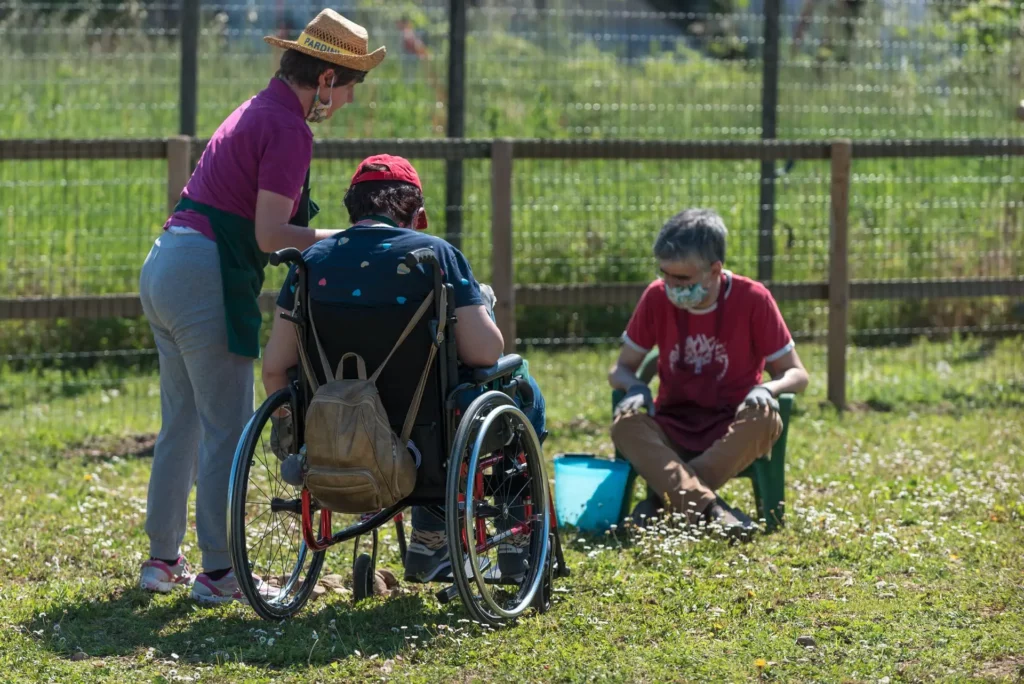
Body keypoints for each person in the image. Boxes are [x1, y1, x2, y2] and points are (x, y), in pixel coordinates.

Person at [137, 9, 386, 603]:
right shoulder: (291, 127)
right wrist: (348, 240)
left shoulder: (258, 107)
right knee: (226, 428)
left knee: (182, 424)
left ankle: (161, 559)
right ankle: (221, 573)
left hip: (164, 263)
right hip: (204, 277)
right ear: (326, 78)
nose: (349, 100)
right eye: (350, 85)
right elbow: (272, 235)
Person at [262, 154, 546, 583]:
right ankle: (500, 537)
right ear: (419, 216)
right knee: (520, 387)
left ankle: (430, 540)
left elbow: (275, 367)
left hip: (333, 435)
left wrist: (291, 424)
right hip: (425, 439)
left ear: (351, 210)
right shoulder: (435, 255)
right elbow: (486, 353)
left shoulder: (311, 262)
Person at [608, 208, 809, 540]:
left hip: (730, 428)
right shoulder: (656, 297)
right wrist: (635, 388)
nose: (671, 286)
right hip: (672, 425)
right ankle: (712, 510)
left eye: (683, 279)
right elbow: (620, 369)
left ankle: (660, 503)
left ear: (715, 270)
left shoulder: (754, 299)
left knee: (766, 420)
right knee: (625, 425)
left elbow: (797, 374)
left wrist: (769, 390)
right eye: (664, 275)